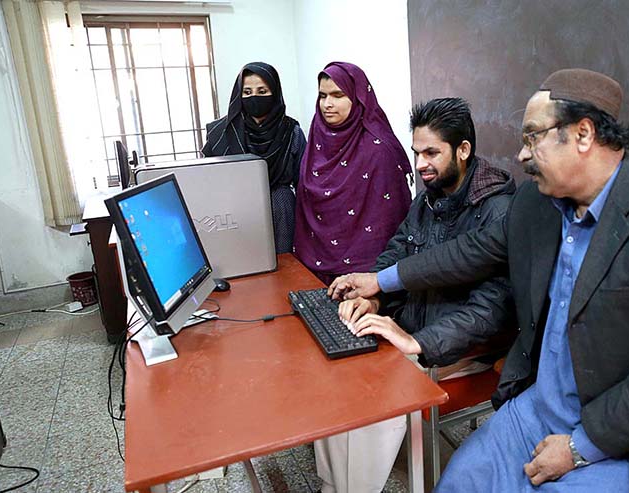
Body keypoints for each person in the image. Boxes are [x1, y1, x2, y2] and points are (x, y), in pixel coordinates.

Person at [329, 69, 629, 492]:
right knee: (458, 483)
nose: (521, 155)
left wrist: (580, 446)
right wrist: (379, 282)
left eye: (533, 137)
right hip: (537, 407)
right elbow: (469, 252)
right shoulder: (535, 202)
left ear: (583, 134)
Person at [314, 98, 516, 493]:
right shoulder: (429, 197)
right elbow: (396, 254)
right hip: (411, 331)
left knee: (374, 398)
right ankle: (334, 485)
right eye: (416, 153)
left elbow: (490, 311)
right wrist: (372, 299)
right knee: (335, 377)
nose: (420, 163)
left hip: (463, 348)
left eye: (431, 153)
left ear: (463, 150)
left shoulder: (498, 212)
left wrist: (418, 344)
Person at [293, 62, 411, 285]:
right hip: (313, 272)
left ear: (358, 97)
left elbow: (391, 223)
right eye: (322, 96)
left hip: (368, 279)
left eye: (338, 95)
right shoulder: (317, 140)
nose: (327, 104)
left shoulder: (379, 150)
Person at [202, 61, 305, 254]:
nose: (254, 97)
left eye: (262, 91)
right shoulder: (220, 133)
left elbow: (304, 184)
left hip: (280, 210)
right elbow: (207, 180)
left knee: (284, 269)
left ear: (275, 93)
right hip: (235, 213)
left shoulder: (291, 131)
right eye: (247, 92)